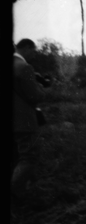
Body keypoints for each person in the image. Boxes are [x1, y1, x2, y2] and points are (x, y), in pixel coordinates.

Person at [12, 38, 46, 199]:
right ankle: (16, 194)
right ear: (25, 48)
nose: (33, 54)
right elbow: (35, 96)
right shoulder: (24, 67)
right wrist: (41, 87)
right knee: (29, 158)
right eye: (33, 50)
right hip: (23, 121)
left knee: (17, 157)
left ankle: (29, 189)